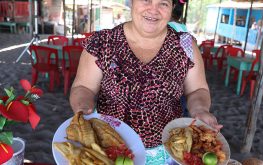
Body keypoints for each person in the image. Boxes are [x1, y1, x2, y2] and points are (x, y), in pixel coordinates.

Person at [70, 0, 222, 164]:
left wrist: (200, 110)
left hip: (167, 152)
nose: (153, 9)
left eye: (163, 3)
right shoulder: (102, 42)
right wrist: (83, 106)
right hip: (109, 150)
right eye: (146, 0)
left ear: (172, 8)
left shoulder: (185, 45)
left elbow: (197, 89)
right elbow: (83, 87)